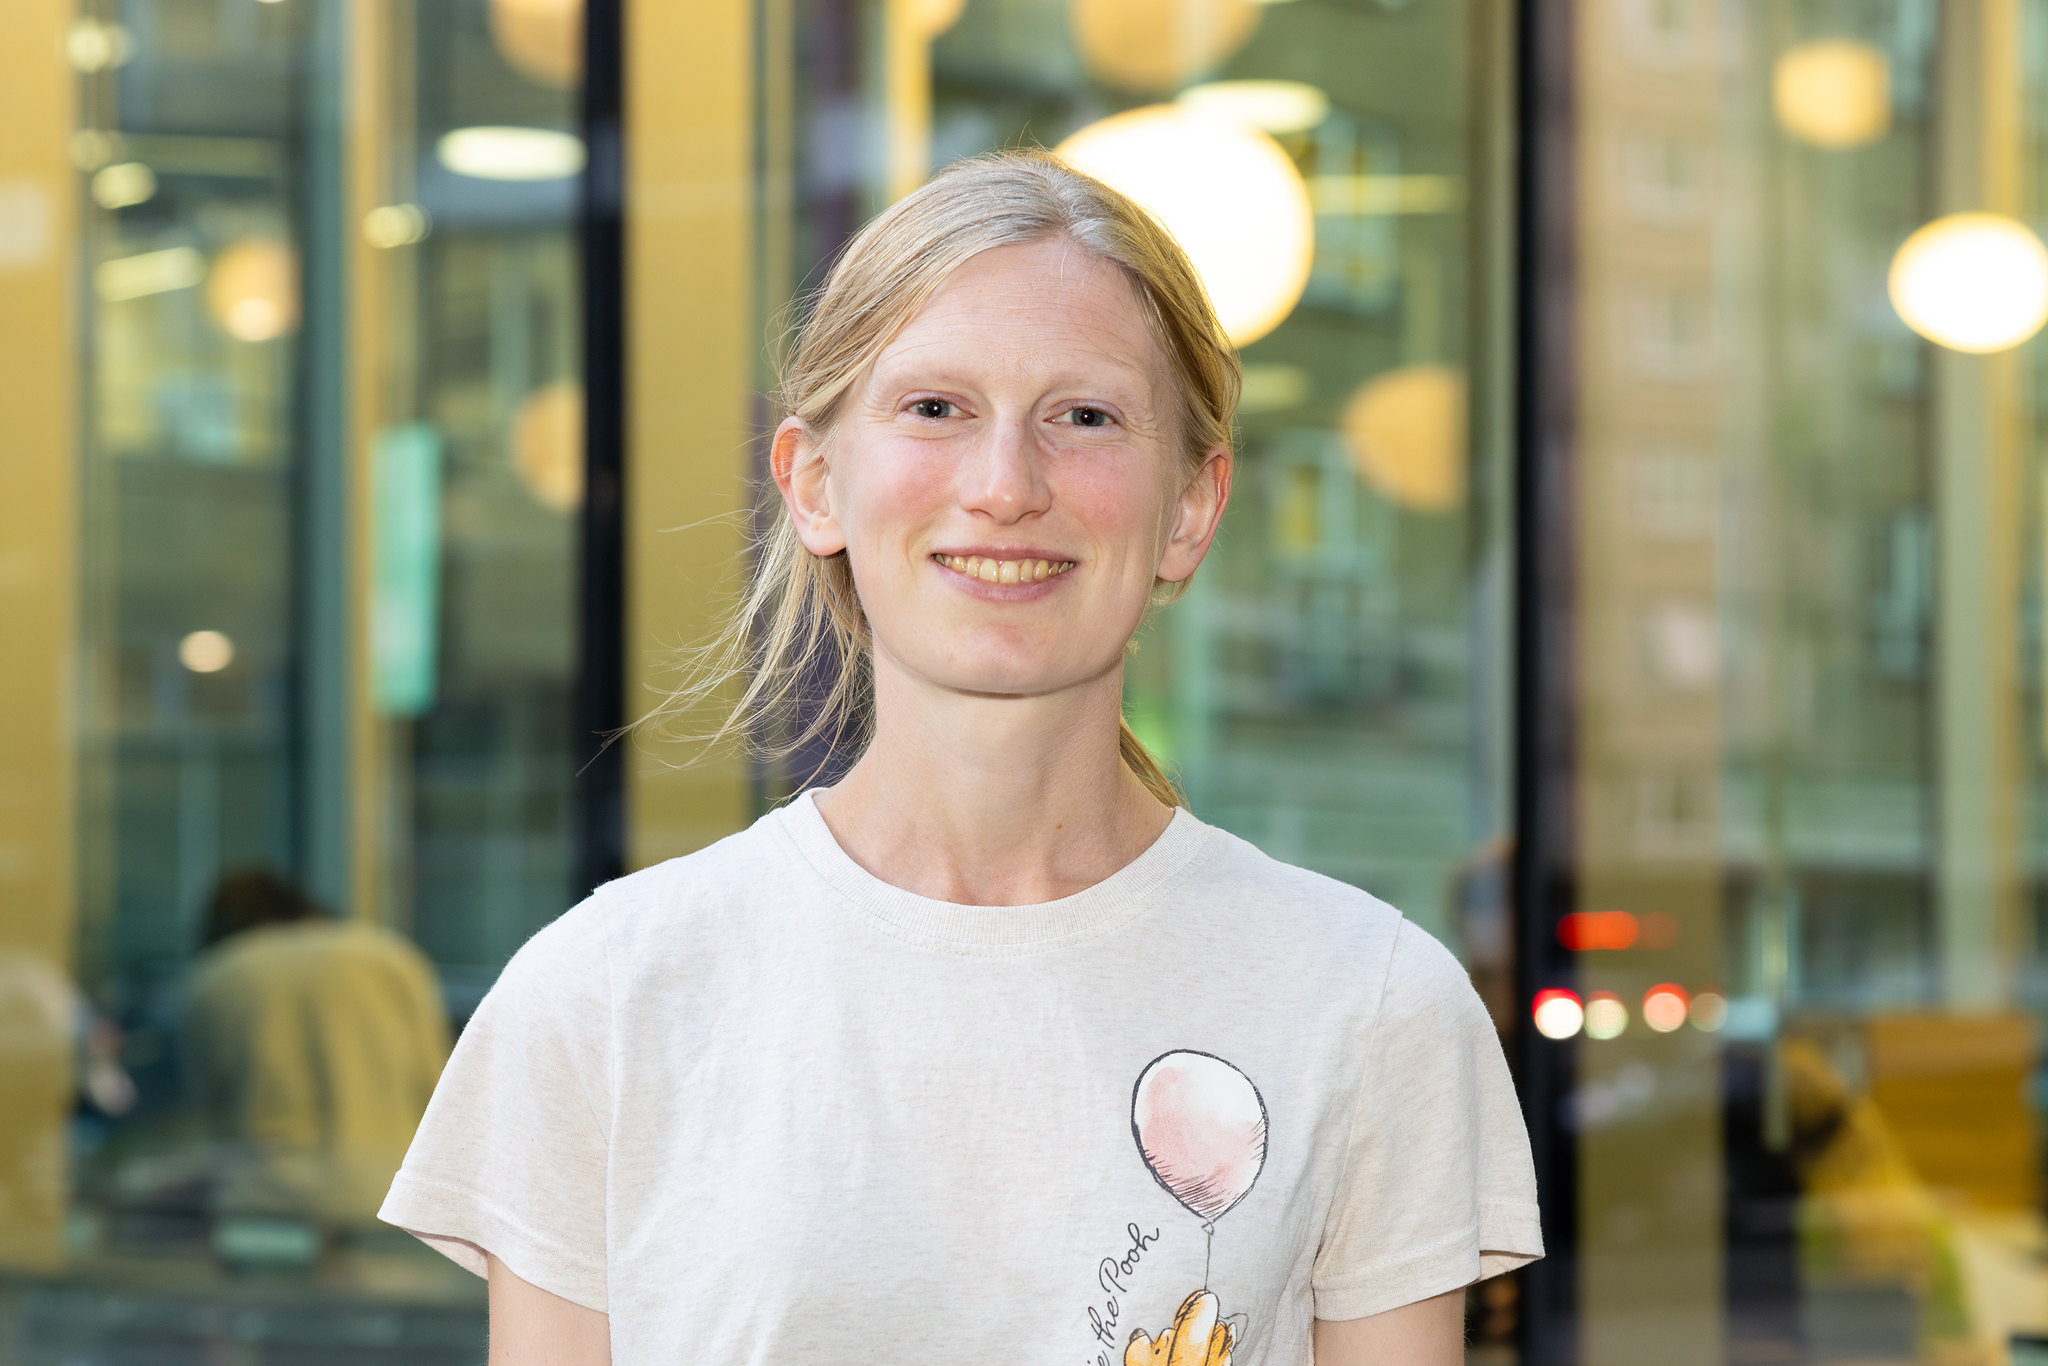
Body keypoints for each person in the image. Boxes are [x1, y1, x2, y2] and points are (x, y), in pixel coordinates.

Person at [379, 151, 1540, 1365]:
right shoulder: (608, 995)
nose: (1003, 486)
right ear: (815, 484)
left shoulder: (1367, 1000)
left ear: (1189, 509)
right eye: (934, 409)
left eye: (1081, 418)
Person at [185, 867, 450, 1226]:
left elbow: (208, 1112)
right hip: (392, 1193)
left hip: (267, 1202)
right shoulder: (391, 956)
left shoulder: (216, 975)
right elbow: (439, 1089)